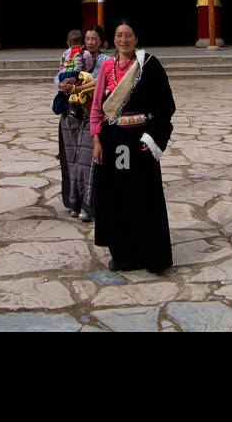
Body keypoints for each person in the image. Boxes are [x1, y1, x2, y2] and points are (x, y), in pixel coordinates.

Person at [90, 19, 175, 273]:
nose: (124, 40)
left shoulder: (149, 65)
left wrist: (153, 137)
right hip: (112, 139)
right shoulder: (106, 67)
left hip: (140, 141)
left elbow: (165, 105)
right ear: (113, 40)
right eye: (119, 35)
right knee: (116, 198)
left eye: (128, 35)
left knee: (143, 197)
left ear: (136, 38)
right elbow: (97, 108)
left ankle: (151, 254)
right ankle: (123, 254)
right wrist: (96, 140)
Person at [57, 25, 109, 221]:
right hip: (71, 114)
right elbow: (59, 75)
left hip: (93, 115)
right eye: (88, 38)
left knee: (88, 161)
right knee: (72, 159)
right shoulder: (73, 57)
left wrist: (78, 88)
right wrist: (62, 84)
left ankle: (88, 204)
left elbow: (101, 80)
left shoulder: (105, 61)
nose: (91, 42)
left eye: (95, 39)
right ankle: (74, 202)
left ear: (101, 41)